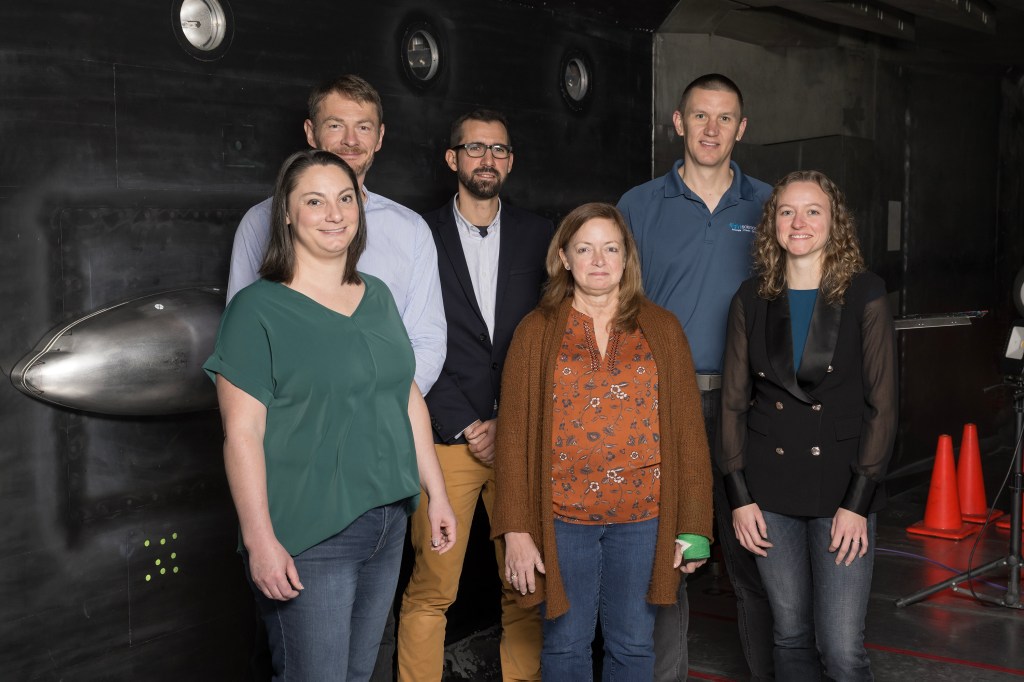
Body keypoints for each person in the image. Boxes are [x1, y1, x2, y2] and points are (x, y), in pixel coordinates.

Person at [204, 149, 457, 681]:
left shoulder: (378, 296)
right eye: (314, 201)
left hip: (387, 521)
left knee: (357, 675)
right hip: (310, 536)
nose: (334, 213)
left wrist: (436, 493)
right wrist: (260, 541)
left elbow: (404, 394)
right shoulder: (256, 310)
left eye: (345, 199)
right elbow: (241, 435)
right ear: (287, 214)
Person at [491, 202, 713, 680]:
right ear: (564, 258)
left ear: (626, 257)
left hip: (644, 517)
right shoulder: (535, 332)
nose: (599, 260)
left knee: (633, 647)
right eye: (585, 248)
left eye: (611, 248)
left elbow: (690, 436)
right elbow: (510, 440)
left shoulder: (663, 329)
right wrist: (516, 529)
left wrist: (694, 524)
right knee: (565, 646)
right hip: (562, 518)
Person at [617, 73, 774, 681]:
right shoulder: (638, 205)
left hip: (747, 409)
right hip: (662, 407)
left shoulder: (768, 205)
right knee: (666, 561)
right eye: (700, 116)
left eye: (725, 118)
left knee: (753, 561)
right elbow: (619, 302)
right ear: (678, 122)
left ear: (742, 127)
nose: (712, 129)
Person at [720, 170, 897, 681]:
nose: (799, 222)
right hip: (768, 491)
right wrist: (739, 497)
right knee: (790, 636)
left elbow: (882, 406)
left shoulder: (865, 292)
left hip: (841, 489)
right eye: (786, 211)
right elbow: (733, 403)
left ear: (834, 222)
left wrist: (857, 504)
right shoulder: (751, 297)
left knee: (841, 650)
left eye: (813, 210)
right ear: (771, 224)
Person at [397, 109, 551, 682]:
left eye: (500, 150)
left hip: (520, 438)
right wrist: (466, 423)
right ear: (452, 158)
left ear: (510, 162)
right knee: (433, 588)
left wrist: (508, 420)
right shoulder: (419, 234)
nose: (488, 159)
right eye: (476, 148)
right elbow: (407, 340)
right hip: (446, 439)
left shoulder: (542, 235)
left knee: (526, 584)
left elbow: (551, 337)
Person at [226, 74, 446, 397]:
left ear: (380, 137)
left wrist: (385, 409)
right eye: (335, 125)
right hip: (293, 420)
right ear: (310, 133)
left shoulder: (411, 231)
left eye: (364, 127)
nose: (351, 140)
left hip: (386, 419)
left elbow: (427, 341)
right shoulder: (258, 222)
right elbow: (241, 343)